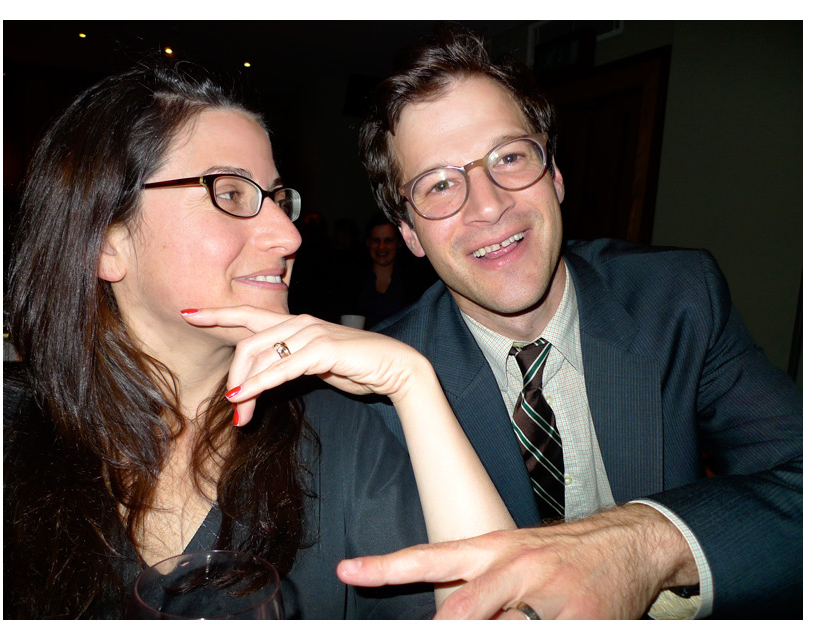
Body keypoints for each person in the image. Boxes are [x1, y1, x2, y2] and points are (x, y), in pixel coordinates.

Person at [3, 61, 515, 619]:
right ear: (107, 243)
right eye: (229, 193)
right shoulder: (9, 433)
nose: (288, 235)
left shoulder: (339, 436)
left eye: (276, 198)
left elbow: (496, 613)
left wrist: (413, 383)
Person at [337, 27, 802, 619]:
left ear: (554, 174)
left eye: (510, 157)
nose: (488, 205)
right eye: (440, 184)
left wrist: (641, 546)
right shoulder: (376, 388)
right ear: (408, 233)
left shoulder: (681, 297)